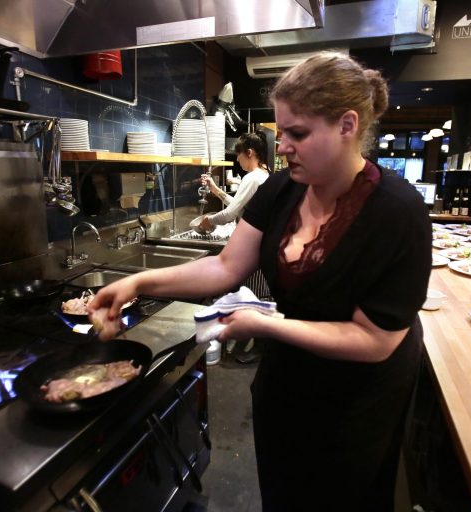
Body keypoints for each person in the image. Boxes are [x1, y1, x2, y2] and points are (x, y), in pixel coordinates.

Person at [87, 51, 432, 511]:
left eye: (298, 133)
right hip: (287, 383)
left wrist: (265, 324)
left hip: (355, 404)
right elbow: (225, 266)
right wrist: (140, 282)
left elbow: (376, 341)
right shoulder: (282, 190)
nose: (282, 146)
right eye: (281, 131)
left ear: (348, 126)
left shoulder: (397, 211)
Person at [196, 131, 270, 232]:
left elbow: (229, 214)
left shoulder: (253, 178)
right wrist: (215, 190)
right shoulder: (263, 174)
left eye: (239, 153)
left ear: (249, 153)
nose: (237, 159)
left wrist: (208, 220)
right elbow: (238, 206)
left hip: (251, 238)